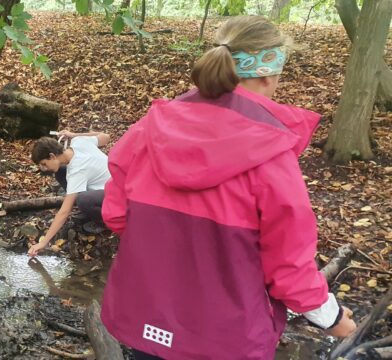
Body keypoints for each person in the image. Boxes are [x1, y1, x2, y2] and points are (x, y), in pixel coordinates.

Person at [99, 16, 356, 359]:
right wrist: (331, 317)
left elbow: (117, 215)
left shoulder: (147, 130)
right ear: (269, 74)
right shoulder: (269, 153)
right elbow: (288, 263)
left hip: (145, 318)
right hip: (225, 338)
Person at [28, 130, 111, 257]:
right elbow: (105, 136)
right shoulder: (78, 141)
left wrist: (43, 243)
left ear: (52, 156)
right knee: (61, 171)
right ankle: (88, 208)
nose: (44, 168)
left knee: (83, 200)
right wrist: (74, 135)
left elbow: (64, 212)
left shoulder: (77, 171)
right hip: (103, 187)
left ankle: (104, 223)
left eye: (44, 164)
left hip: (116, 194)